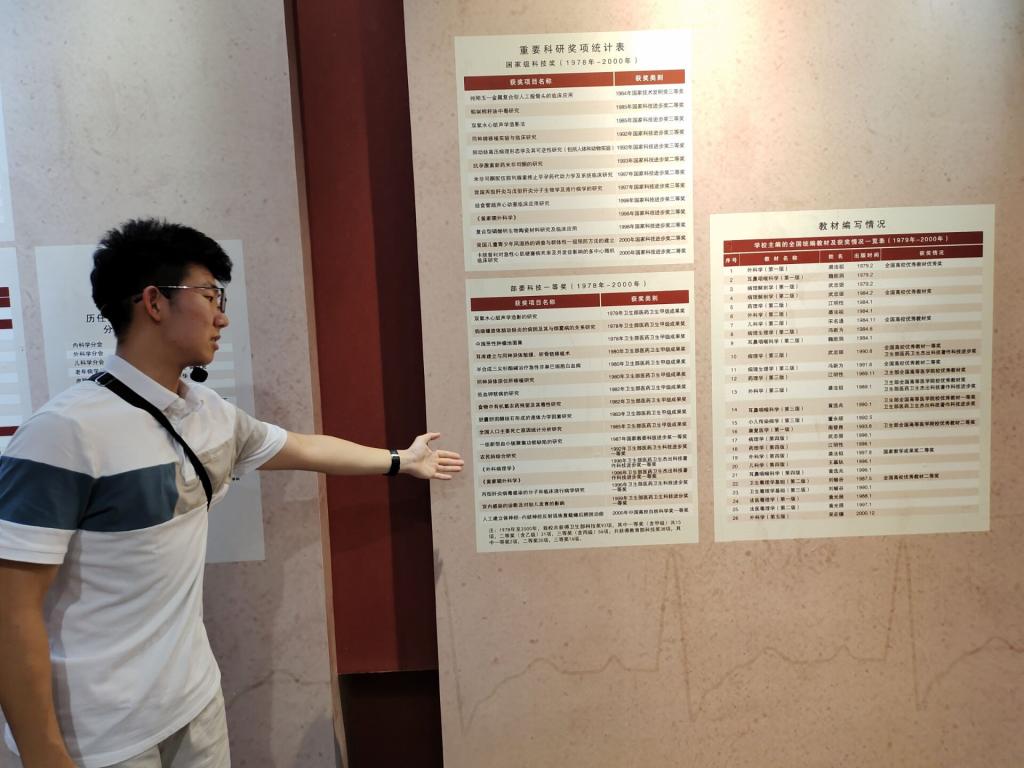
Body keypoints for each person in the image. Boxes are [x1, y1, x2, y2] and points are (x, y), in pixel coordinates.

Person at [0, 218, 463, 768]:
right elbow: (11, 609)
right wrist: (43, 753)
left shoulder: (207, 412)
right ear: (154, 302)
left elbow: (301, 448)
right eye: (209, 295)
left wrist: (400, 461)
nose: (222, 316)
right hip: (101, 736)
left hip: (194, 704)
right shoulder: (62, 433)